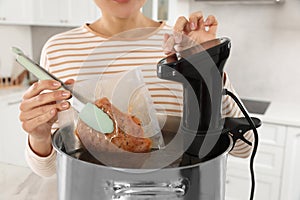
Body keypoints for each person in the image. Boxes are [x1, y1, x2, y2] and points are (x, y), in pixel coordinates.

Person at [19, 0, 253, 177]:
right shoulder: (59, 49)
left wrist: (207, 67)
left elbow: (244, 146)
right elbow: (50, 168)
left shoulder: (182, 43)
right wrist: (38, 135)